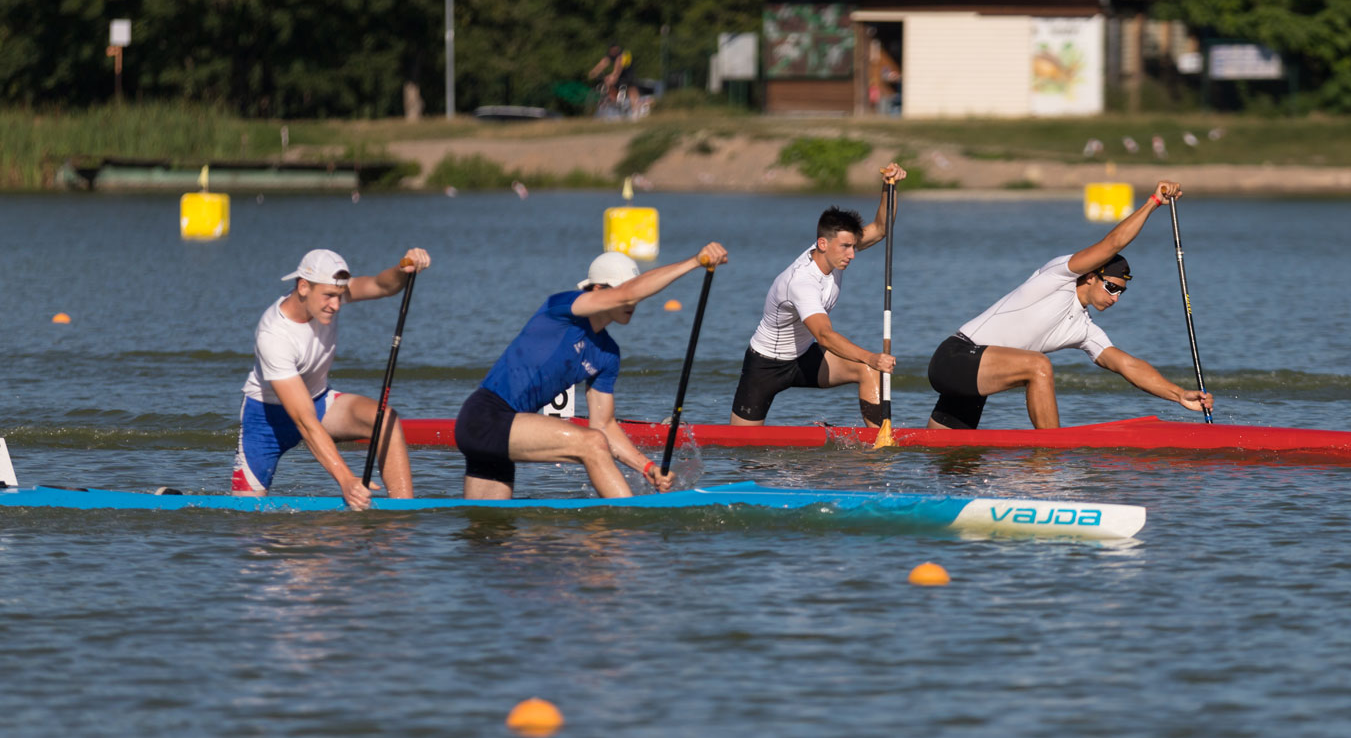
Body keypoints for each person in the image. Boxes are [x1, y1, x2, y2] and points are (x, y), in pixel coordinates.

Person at [926, 179, 1214, 430]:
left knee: (951, 459)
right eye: (1111, 287)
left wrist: (1178, 394)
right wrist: (1153, 202)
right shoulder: (1059, 276)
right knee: (1039, 366)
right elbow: (1112, 243)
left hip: (975, 380)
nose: (1115, 298)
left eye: (1121, 293)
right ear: (1090, 276)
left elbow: (1127, 365)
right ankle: (1050, 452)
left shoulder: (1083, 329)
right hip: (955, 358)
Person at [456, 243, 729, 500]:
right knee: (591, 443)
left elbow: (605, 424)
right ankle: (630, 521)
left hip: (506, 432)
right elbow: (629, 293)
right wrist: (695, 262)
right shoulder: (562, 307)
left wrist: (647, 468)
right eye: (624, 293)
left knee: (493, 535)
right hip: (485, 416)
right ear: (598, 290)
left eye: (634, 297)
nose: (632, 304)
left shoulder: (607, 353)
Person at [234, 247, 433, 510]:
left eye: (340, 296)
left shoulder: (327, 294)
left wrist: (402, 270)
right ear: (303, 287)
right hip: (266, 421)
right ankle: (172, 495)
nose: (336, 305)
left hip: (319, 402)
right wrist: (347, 480)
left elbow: (380, 285)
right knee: (247, 525)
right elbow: (304, 422)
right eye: (329, 296)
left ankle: (404, 515)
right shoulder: (274, 335)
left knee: (385, 420)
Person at [730, 163, 907, 427]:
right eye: (846, 247)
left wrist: (889, 187)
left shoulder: (833, 255)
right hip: (765, 365)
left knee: (869, 371)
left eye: (853, 246)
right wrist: (872, 355)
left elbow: (881, 229)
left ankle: (879, 447)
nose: (852, 254)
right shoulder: (802, 282)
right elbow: (824, 335)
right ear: (822, 244)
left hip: (803, 357)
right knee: (742, 453)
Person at [587, 42, 640, 120]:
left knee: (631, 90)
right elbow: (603, 63)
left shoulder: (622, 55)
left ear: (616, 49)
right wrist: (593, 72)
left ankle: (635, 112)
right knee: (609, 85)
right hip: (620, 76)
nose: (611, 52)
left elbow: (618, 69)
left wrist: (613, 76)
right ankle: (614, 104)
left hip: (628, 75)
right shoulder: (611, 55)